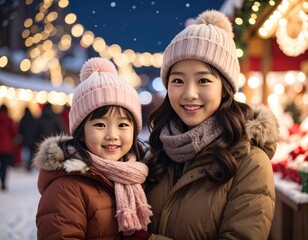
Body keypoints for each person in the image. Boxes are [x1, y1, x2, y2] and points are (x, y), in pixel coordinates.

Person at [145, 10, 279, 239]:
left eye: (203, 80)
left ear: (225, 88)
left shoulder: (251, 163)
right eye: (177, 80)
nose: (189, 93)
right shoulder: (157, 153)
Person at [32, 57, 152, 239]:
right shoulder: (67, 188)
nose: (112, 135)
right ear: (81, 132)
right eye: (100, 125)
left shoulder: (138, 175)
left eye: (122, 125)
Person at [0, 104, 18, 190]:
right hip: (6, 146)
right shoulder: (9, 120)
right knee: (4, 165)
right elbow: (14, 131)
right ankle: (3, 181)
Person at [19, 107, 38, 171]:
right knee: (32, 152)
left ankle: (27, 165)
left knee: (26, 153)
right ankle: (31, 164)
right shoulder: (33, 119)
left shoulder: (23, 119)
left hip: (25, 139)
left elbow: (20, 130)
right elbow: (36, 129)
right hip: (33, 139)